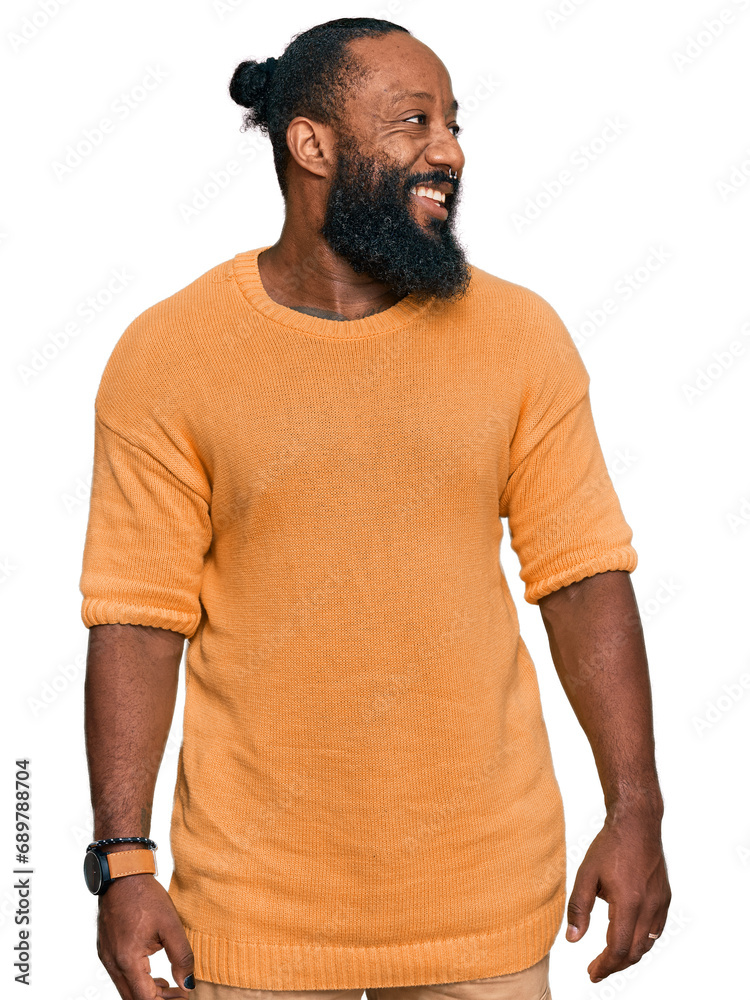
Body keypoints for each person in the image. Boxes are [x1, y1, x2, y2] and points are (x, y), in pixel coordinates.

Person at [79, 16, 671, 1000]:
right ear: (311, 144)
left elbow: (582, 582)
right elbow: (138, 623)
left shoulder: (521, 337)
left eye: (453, 123)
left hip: (482, 902)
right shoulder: (171, 355)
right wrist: (125, 863)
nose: (449, 150)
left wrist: (637, 809)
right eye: (413, 121)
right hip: (249, 912)